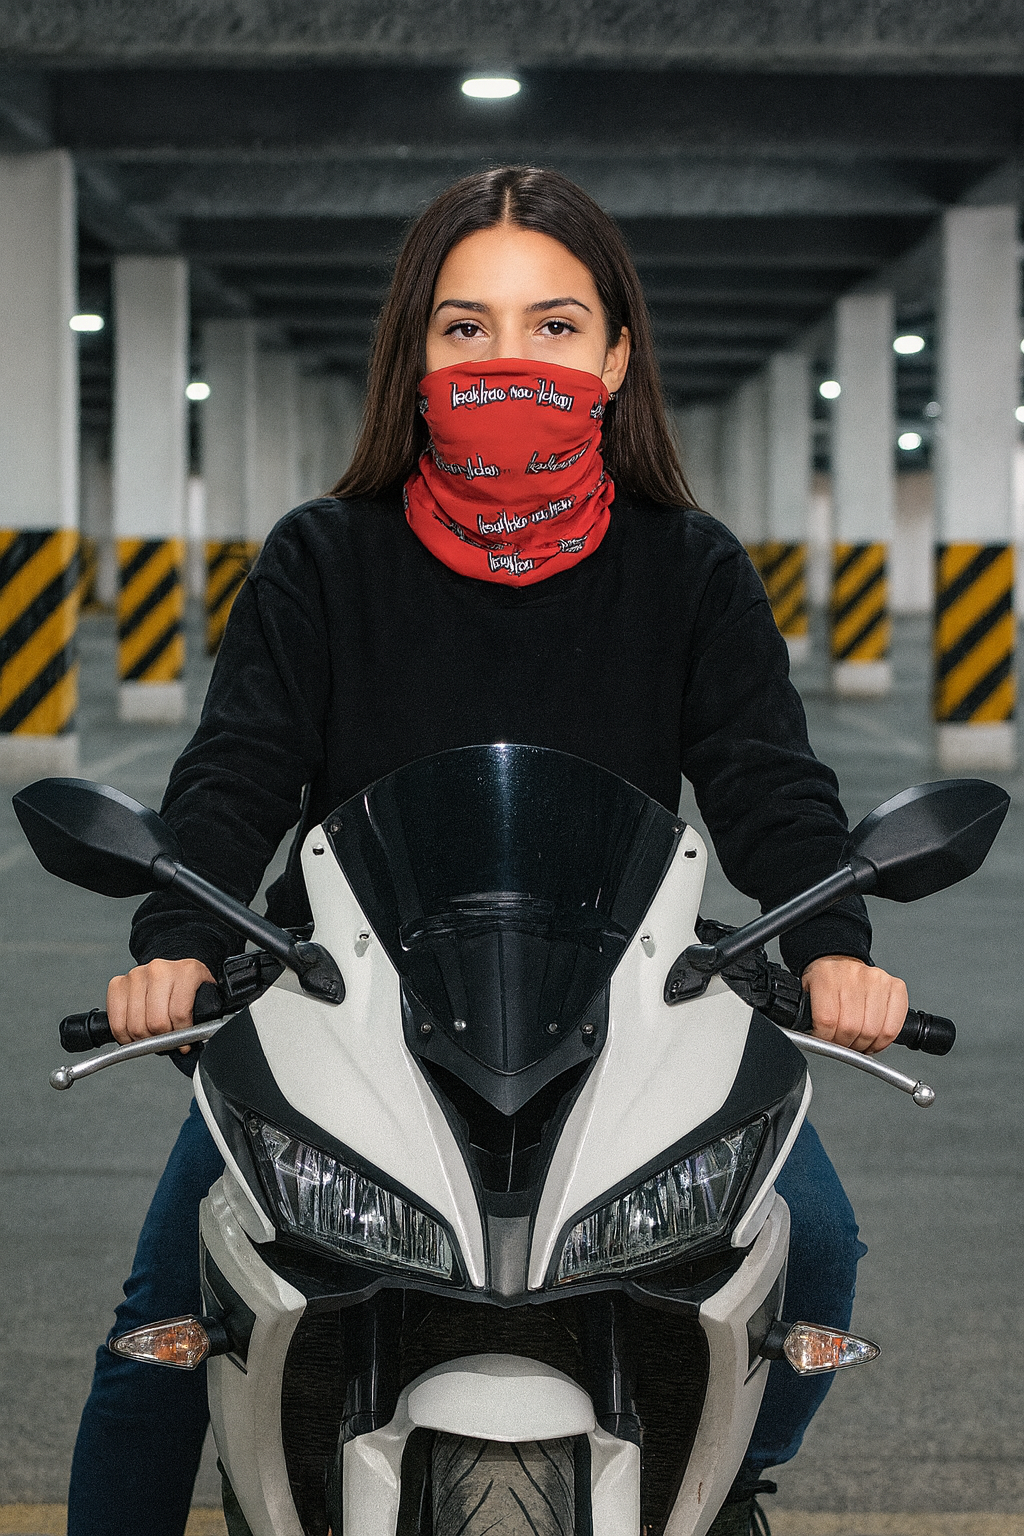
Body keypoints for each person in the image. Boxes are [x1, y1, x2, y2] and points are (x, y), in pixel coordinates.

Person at [67, 166, 909, 1536]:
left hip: (632, 1013)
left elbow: (770, 789)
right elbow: (233, 780)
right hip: (340, 1015)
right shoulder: (323, 558)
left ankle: (719, 1482)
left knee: (812, 1257)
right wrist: (177, 945)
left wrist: (832, 948)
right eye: (467, 327)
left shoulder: (687, 566)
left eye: (554, 325)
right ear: (415, 356)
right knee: (168, 1337)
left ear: (616, 356)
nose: (509, 358)